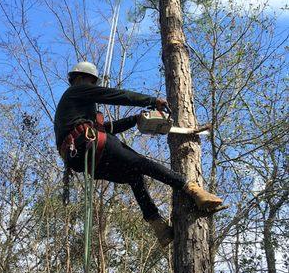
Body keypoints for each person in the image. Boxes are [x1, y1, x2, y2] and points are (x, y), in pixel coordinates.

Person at [54, 62, 225, 247]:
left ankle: (158, 225)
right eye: (90, 81)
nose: (91, 86)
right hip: (90, 145)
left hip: (82, 158)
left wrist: (134, 120)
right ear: (79, 79)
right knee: (141, 162)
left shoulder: (75, 110)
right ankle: (192, 190)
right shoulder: (76, 91)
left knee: (134, 175)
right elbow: (114, 95)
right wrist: (151, 101)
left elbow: (108, 129)